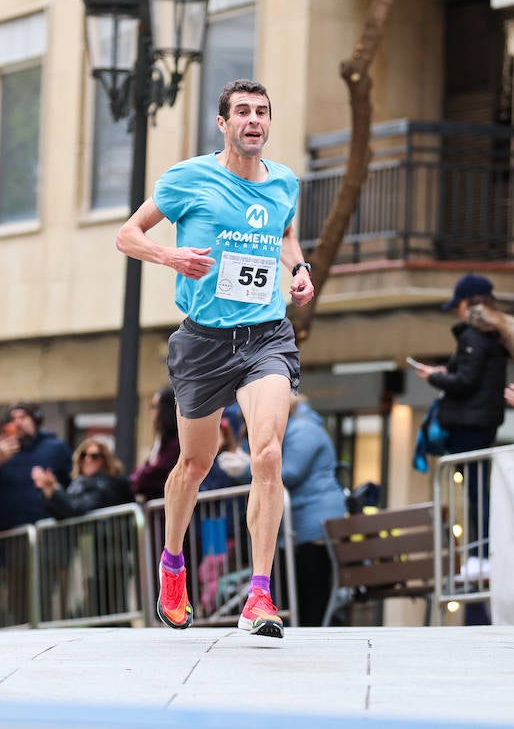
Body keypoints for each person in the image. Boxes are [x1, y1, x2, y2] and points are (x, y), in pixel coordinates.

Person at [115, 78, 313, 638]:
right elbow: (127, 235)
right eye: (243, 112)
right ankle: (172, 562)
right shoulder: (188, 179)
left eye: (262, 112)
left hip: (265, 336)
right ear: (223, 123)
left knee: (267, 453)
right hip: (204, 342)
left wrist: (300, 269)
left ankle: (260, 594)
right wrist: (170, 256)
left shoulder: (284, 183)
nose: (254, 120)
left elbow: (286, 236)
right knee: (194, 465)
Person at [413, 273, 514, 454]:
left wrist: (433, 376)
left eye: (458, 305)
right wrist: (445, 373)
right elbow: (472, 373)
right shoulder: (492, 334)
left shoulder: (473, 336)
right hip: (483, 421)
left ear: (467, 303)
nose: (457, 311)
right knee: (476, 469)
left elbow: (466, 381)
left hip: (468, 423)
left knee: (470, 469)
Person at [279, 396, 347, 627]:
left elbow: (291, 472)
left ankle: (314, 633)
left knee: (312, 588)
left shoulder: (302, 429)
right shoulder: (299, 426)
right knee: (308, 589)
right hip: (308, 521)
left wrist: (246, 468)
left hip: (314, 523)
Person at [0, 402, 73, 532]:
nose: (17, 423)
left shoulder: (56, 447)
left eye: (23, 417)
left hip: (48, 530)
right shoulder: (2, 449)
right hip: (10, 533)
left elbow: (72, 482)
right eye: (13, 419)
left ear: (36, 421)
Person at [34, 438, 133, 520]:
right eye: (83, 455)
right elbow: (63, 514)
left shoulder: (106, 484)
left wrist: (55, 489)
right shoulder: (78, 484)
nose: (87, 460)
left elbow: (77, 508)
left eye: (94, 456)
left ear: (104, 460)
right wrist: (49, 490)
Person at [128, 388, 182, 503]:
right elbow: (144, 472)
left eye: (155, 406)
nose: (153, 411)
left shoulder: (177, 443)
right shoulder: (161, 441)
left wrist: (138, 478)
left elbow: (151, 475)